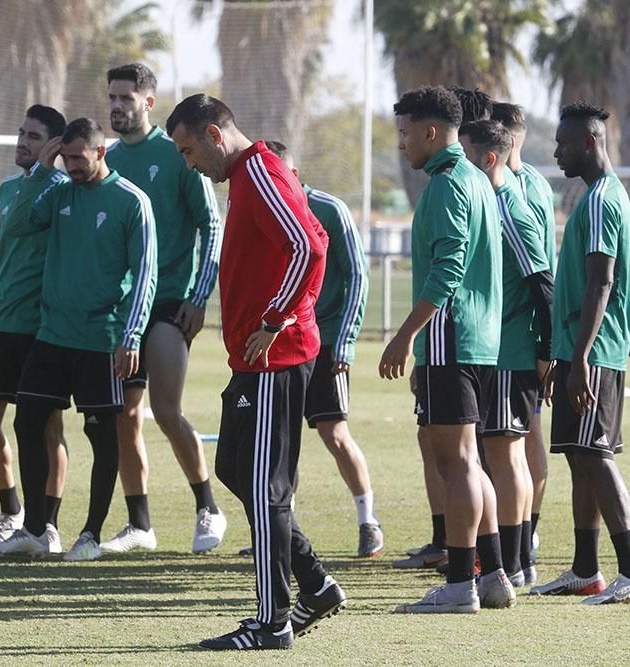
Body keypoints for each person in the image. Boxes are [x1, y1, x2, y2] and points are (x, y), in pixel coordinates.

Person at [167, 94, 345, 650]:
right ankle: (315, 583)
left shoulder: (260, 171)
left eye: (189, 149)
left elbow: (309, 245)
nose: (189, 163)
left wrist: (274, 319)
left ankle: (273, 623)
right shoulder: (246, 176)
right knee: (235, 469)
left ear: (215, 136)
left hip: (277, 355)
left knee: (266, 490)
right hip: (252, 358)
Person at [0, 118, 156, 559]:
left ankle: (91, 534)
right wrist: (42, 169)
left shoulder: (131, 202)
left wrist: (132, 335)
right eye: (67, 157)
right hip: (51, 334)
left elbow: (145, 277)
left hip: (102, 337)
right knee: (27, 422)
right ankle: (38, 529)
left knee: (102, 435)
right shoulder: (58, 191)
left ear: (101, 152)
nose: (72, 165)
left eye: (80, 157)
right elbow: (16, 225)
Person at [380, 86, 512, 613]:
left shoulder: (446, 185)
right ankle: (495, 573)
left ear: (431, 133)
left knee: (455, 462)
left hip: (451, 336)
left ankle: (460, 584)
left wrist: (406, 334)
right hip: (478, 339)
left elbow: (450, 267)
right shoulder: (478, 179)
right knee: (469, 461)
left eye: (406, 133)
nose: (402, 144)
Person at [530, 102, 630, 603]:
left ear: (588, 142)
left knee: (596, 455)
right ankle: (585, 569)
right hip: (580, 350)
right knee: (581, 458)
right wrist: (564, 355)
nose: (556, 151)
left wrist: (579, 357)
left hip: (596, 352)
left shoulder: (604, 198)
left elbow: (602, 281)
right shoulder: (592, 197)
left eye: (562, 143)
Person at [102, 63, 226, 555]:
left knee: (166, 410)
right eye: (111, 97)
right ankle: (139, 525)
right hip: (123, 308)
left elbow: (210, 227)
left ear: (148, 102)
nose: (116, 106)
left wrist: (199, 297)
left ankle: (208, 509)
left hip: (172, 300)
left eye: (126, 98)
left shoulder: (177, 154)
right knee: (125, 415)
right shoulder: (105, 159)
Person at [261, 140, 381, 558]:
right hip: (279, 342)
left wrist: (345, 339)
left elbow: (358, 277)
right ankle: (279, 529)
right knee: (278, 440)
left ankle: (369, 521)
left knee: (334, 433)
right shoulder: (265, 207)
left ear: (294, 173)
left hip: (326, 340)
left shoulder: (329, 209)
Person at [0, 105, 70, 551]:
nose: (22, 141)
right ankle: (12, 511)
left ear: (55, 145)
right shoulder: (9, 190)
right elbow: (1, 256)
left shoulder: (66, 192)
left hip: (43, 329)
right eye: (20, 132)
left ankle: (47, 524)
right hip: (3, 324)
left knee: (48, 429)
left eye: (34, 135)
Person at [459, 120, 554, 587]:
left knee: (504, 457)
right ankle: (519, 563)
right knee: (502, 456)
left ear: (488, 158)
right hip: (502, 352)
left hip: (510, 352)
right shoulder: (493, 200)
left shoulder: (507, 206)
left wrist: (546, 350)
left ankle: (513, 563)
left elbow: (542, 280)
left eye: (465, 152)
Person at [492, 101, 557, 550]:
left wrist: (544, 347)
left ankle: (520, 540)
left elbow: (538, 271)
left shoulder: (515, 188)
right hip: (533, 329)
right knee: (525, 434)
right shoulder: (536, 181)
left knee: (518, 438)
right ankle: (523, 537)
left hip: (521, 332)